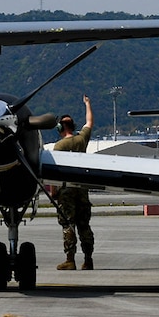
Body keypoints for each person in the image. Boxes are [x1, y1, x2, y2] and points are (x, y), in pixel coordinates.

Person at [52, 96, 95, 270]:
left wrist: (54, 191)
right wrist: (87, 104)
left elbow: (55, 172)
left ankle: (70, 259)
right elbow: (89, 122)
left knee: (67, 224)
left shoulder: (59, 146)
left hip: (66, 190)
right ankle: (88, 259)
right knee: (84, 225)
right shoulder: (81, 140)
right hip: (82, 188)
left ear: (60, 128)